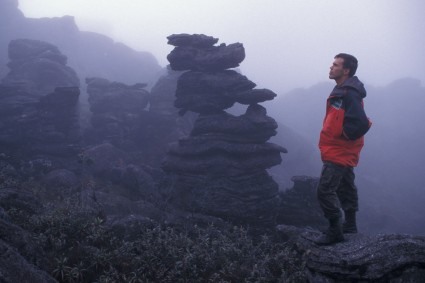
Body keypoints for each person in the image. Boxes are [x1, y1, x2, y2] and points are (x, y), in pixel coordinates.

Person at [315, 53, 371, 245]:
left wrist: (343, 136)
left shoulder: (349, 93)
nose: (331, 67)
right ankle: (350, 225)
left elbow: (362, 123)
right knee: (345, 186)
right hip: (340, 148)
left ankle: (335, 230)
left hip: (339, 150)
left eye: (335, 65)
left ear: (345, 70)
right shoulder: (343, 89)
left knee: (324, 190)